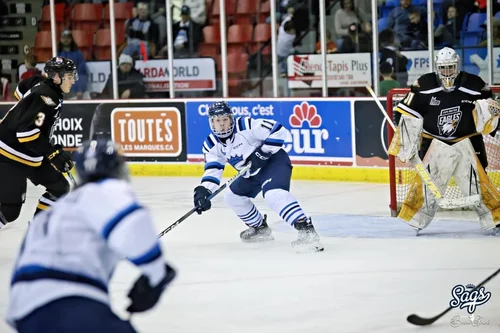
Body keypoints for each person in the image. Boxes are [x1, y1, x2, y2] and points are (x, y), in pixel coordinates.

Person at [5, 139, 176, 333]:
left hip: (23, 312)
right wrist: (156, 276)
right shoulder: (107, 190)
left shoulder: (56, 208)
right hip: (69, 301)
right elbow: (134, 225)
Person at [391, 47, 500, 231]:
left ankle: (495, 218)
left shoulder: (474, 84)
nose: (447, 71)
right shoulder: (424, 84)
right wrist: (406, 138)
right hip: (434, 142)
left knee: (478, 183)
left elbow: (492, 107)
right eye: (443, 68)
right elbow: (405, 113)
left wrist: (491, 117)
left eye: (450, 67)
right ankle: (416, 218)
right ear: (437, 67)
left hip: (468, 141)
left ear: (457, 66)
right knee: (427, 183)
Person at [192, 101, 324, 253]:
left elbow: (279, 131)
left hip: (273, 163)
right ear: (211, 123)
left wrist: (263, 152)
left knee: (273, 195)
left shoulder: (246, 124)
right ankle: (260, 228)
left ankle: (307, 231)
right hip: (250, 173)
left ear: (231, 119)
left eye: (225, 119)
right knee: (231, 196)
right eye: (217, 121)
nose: (222, 125)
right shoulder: (210, 144)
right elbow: (213, 170)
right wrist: (203, 191)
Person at [0, 57, 76, 226]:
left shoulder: (40, 83)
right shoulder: (46, 97)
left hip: (30, 153)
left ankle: (38, 232)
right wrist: (52, 152)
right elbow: (26, 133)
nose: (73, 81)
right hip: (8, 153)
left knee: (59, 188)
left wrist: (25, 107)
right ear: (56, 77)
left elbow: (20, 90)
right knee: (9, 211)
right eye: (69, 76)